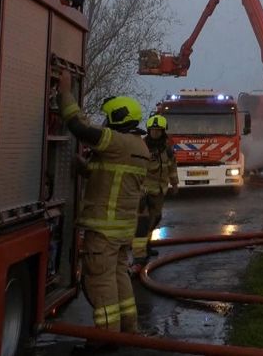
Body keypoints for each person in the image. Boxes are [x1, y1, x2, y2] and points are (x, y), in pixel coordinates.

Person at [58, 70, 150, 339]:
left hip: (104, 230)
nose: (106, 122)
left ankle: (107, 337)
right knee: (119, 276)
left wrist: (65, 93)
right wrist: (86, 169)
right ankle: (127, 328)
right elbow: (113, 178)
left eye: (109, 118)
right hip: (121, 231)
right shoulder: (138, 147)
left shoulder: (116, 141)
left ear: (118, 119)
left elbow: (80, 128)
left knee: (100, 281)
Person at [133, 114, 178, 265]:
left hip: (159, 191)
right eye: (152, 130)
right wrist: (138, 190)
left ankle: (147, 245)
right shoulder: (142, 147)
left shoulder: (167, 149)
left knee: (155, 218)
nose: (155, 133)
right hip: (143, 191)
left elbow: (172, 167)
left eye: (158, 131)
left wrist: (175, 184)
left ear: (163, 132)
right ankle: (139, 255)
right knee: (142, 222)